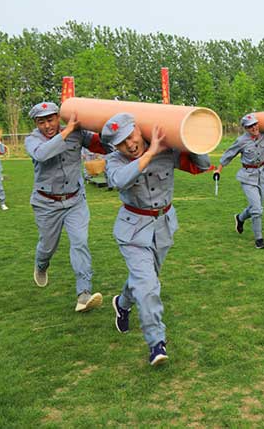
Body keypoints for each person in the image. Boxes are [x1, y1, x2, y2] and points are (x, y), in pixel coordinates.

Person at [102, 113, 212, 367]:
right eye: (121, 143)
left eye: (131, 136)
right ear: (114, 147)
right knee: (149, 286)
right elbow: (118, 181)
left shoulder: (167, 150)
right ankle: (156, 343)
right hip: (133, 231)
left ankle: (122, 303)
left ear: (139, 131)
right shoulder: (114, 162)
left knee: (144, 280)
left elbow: (203, 165)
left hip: (163, 225)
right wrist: (149, 153)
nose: (129, 144)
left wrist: (190, 141)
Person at [24, 102, 106, 312]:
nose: (47, 125)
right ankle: (41, 265)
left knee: (80, 243)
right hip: (46, 204)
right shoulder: (33, 140)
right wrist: (68, 129)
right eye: (41, 122)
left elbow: (102, 145)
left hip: (75, 201)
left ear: (58, 117)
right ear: (36, 123)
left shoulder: (78, 133)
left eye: (51, 119)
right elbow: (42, 154)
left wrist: (106, 126)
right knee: (47, 246)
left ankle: (84, 293)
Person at [214, 113, 264, 249]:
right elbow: (229, 154)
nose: (254, 128)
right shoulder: (241, 141)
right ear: (246, 128)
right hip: (248, 176)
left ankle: (240, 218)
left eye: (255, 124)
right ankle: (259, 239)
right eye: (250, 126)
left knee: (256, 207)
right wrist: (219, 170)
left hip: (262, 174)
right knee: (257, 210)